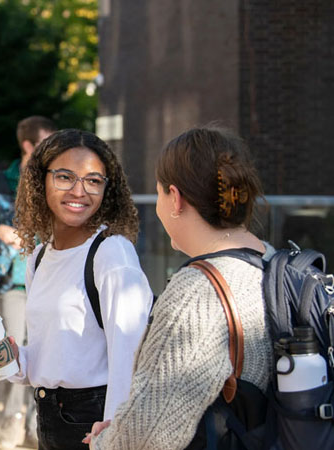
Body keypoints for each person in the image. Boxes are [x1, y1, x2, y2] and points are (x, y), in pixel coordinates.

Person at [86, 127, 275, 450]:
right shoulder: (271, 261)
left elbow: (145, 435)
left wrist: (103, 441)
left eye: (158, 193)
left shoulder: (196, 293)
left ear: (175, 198)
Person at [0, 129, 153, 450]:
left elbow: (131, 358)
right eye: (65, 177)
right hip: (49, 415)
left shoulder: (112, 253)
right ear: (40, 181)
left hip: (96, 422)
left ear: (107, 189)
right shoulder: (40, 256)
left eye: (93, 180)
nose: (79, 191)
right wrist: (13, 360)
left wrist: (114, 435)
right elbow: (52, 355)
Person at [0, 115, 57, 448]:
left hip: (50, 282)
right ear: (28, 145)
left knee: (44, 354)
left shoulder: (56, 179)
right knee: (8, 351)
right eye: (46, 143)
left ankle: (36, 424)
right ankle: (11, 419)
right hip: (13, 283)